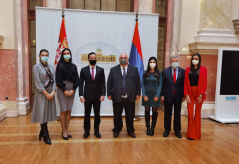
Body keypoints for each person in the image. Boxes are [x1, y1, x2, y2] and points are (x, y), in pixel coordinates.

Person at [107, 53, 141, 138]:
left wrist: (138, 93)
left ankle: (130, 130)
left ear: (128, 59)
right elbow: (109, 82)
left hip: (130, 96)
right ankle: (117, 130)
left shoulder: (134, 69)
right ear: (119, 59)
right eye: (121, 58)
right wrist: (108, 93)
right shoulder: (113, 70)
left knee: (130, 115)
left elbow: (138, 83)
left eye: (125, 57)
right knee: (117, 115)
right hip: (117, 96)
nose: (123, 59)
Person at [31, 49, 57, 145]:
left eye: (46, 55)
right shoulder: (36, 67)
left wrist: (53, 92)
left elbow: (54, 80)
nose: (44, 56)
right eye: (43, 55)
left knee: (46, 113)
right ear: (39, 56)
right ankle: (46, 135)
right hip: (42, 94)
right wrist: (46, 94)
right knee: (42, 113)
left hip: (51, 93)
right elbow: (37, 83)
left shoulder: (51, 67)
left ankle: (42, 132)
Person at [79, 52, 106, 138]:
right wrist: (81, 95)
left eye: (94, 58)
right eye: (91, 58)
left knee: (97, 114)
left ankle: (96, 131)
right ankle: (86, 131)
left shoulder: (101, 70)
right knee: (87, 114)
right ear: (88, 59)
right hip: (87, 96)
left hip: (97, 97)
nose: (93, 60)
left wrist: (103, 94)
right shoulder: (83, 70)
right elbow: (80, 84)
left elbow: (103, 83)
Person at [56, 48, 79, 140]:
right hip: (62, 89)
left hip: (71, 89)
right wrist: (65, 89)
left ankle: (66, 129)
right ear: (62, 55)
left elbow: (77, 79)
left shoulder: (74, 66)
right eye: (65, 53)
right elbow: (58, 79)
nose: (66, 54)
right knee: (63, 110)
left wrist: (73, 90)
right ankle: (63, 130)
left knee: (69, 110)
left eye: (68, 53)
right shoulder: (59, 65)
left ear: (70, 54)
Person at [161, 55, 185, 138]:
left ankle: (177, 130)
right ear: (170, 62)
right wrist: (162, 95)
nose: (175, 63)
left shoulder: (182, 71)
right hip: (168, 95)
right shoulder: (165, 71)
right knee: (167, 114)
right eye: (173, 61)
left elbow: (184, 85)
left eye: (176, 61)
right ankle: (167, 130)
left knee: (177, 114)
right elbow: (162, 84)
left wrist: (184, 95)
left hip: (178, 96)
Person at [184, 53, 207, 140]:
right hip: (190, 93)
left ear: (199, 60)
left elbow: (205, 82)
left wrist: (201, 94)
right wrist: (186, 95)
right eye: (193, 58)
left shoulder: (203, 69)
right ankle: (189, 133)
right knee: (190, 114)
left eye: (196, 58)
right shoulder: (187, 70)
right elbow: (185, 83)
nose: (195, 60)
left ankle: (195, 134)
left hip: (199, 94)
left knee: (197, 114)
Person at [142, 56, 162, 136]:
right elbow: (142, 84)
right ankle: (148, 128)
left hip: (155, 96)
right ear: (148, 63)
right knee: (147, 111)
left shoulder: (159, 73)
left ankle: (152, 128)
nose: (152, 63)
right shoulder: (145, 73)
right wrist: (144, 95)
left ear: (156, 63)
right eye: (151, 62)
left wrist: (157, 95)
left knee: (154, 111)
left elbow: (160, 85)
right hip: (146, 96)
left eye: (154, 62)